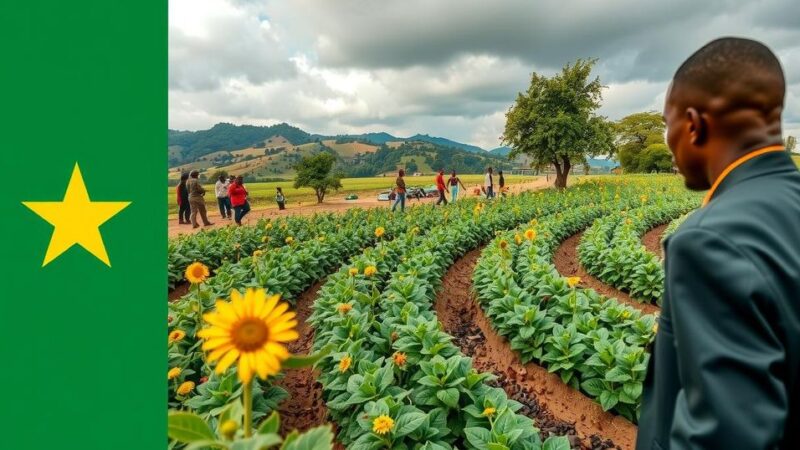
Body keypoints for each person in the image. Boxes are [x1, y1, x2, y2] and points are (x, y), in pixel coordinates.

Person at [637, 37, 800, 450]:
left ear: (694, 125)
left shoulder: (708, 242)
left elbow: (726, 436)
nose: (669, 139)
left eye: (667, 122)